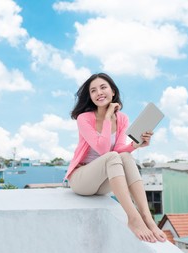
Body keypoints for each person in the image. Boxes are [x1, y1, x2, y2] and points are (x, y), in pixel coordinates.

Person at [65, 73, 166, 243]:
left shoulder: (122, 118)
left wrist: (137, 145)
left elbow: (119, 149)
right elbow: (104, 149)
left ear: (113, 92)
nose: (99, 92)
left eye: (103, 87)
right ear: (90, 97)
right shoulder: (84, 118)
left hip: (103, 183)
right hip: (81, 179)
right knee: (112, 156)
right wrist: (106, 117)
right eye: (93, 90)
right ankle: (133, 218)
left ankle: (147, 218)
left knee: (125, 155)